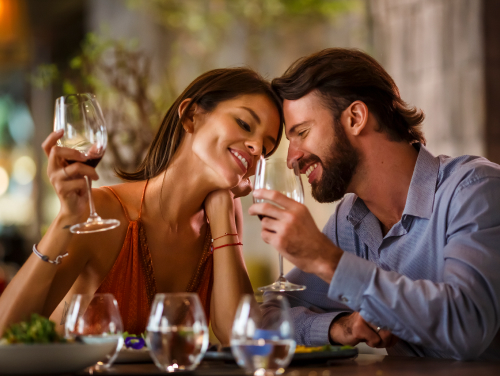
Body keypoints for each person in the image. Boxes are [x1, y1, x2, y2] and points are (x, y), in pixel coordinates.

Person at [249, 48, 500, 360]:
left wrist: (328, 261)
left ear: (355, 118)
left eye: (301, 133)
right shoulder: (348, 221)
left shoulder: (475, 190)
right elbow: (268, 318)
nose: (292, 159)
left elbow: (467, 326)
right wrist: (336, 327)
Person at [0, 68, 283, 344]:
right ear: (191, 116)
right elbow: (5, 335)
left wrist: (222, 208)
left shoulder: (225, 218)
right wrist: (67, 219)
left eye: (267, 148)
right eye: (245, 124)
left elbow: (238, 338)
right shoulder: (104, 211)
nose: (257, 148)